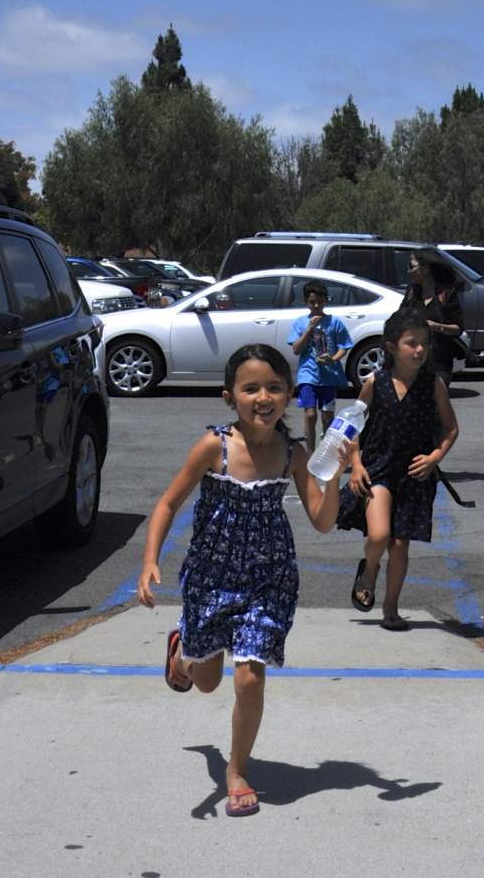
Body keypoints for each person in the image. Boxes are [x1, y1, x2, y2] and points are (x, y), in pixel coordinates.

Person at [137, 344, 352, 818]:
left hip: (268, 580)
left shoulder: (293, 453)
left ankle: (237, 770)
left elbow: (322, 521)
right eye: (251, 388)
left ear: (290, 395)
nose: (263, 397)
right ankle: (183, 651)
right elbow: (168, 503)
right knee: (207, 682)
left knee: (250, 676)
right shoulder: (214, 446)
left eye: (274, 387)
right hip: (211, 578)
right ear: (229, 397)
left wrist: (336, 473)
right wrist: (150, 560)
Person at [336, 307, 458, 631]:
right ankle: (369, 569)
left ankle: (391, 607)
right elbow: (352, 426)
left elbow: (450, 429)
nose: (419, 350)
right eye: (411, 343)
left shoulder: (434, 384)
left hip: (415, 475)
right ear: (392, 347)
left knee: (401, 545)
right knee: (379, 536)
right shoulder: (374, 383)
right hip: (378, 469)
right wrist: (356, 464)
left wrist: (435, 457)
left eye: (424, 344)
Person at [287, 279, 352, 456]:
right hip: (307, 374)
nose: (316, 305)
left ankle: (326, 452)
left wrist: (333, 359)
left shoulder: (335, 322)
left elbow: (344, 346)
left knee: (327, 416)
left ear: (326, 300)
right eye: (312, 302)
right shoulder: (301, 322)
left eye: (320, 301)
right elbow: (296, 349)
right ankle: (310, 454)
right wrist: (309, 328)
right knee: (310, 414)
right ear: (306, 302)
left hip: (329, 377)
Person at [403, 249, 466, 384]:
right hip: (413, 362)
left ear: (425, 268)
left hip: (439, 363)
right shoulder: (412, 292)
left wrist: (437, 327)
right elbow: (400, 317)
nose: (408, 271)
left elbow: (458, 328)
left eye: (411, 266)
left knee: (436, 396)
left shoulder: (446, 294)